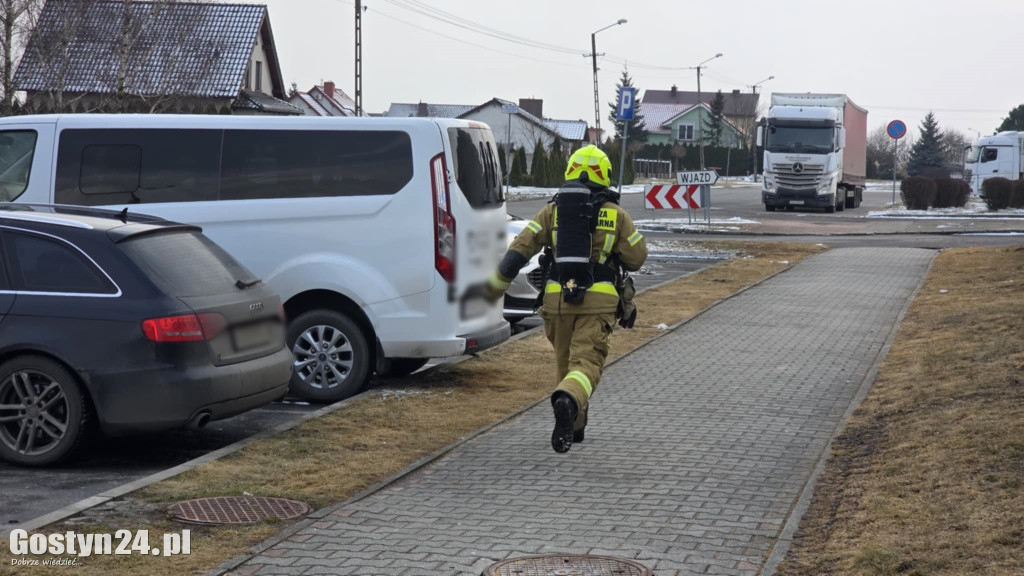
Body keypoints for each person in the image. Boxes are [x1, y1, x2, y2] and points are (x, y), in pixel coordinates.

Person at [486, 145, 647, 453]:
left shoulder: (552, 211)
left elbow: (519, 250)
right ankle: (567, 405)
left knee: (566, 366)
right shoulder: (617, 215)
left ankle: (574, 428)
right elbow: (637, 258)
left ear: (571, 171)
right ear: (604, 175)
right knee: (586, 363)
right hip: (598, 303)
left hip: (556, 302)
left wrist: (494, 289)